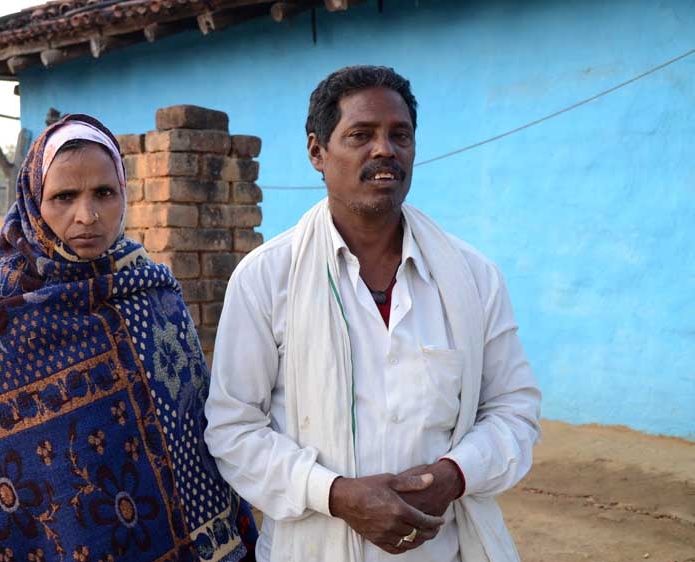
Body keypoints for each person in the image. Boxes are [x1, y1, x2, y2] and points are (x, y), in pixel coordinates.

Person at [204, 65, 542, 562]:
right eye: (361, 135)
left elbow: (513, 410)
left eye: (398, 135)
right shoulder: (265, 278)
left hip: (445, 548)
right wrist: (336, 494)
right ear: (317, 152)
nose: (384, 149)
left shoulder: (472, 277)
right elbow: (233, 429)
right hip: (313, 548)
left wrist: (453, 476)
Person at [0, 114, 257, 562]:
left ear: (124, 192)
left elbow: (191, 435)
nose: (87, 215)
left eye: (104, 192)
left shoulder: (153, 292)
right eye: (63, 196)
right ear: (33, 202)